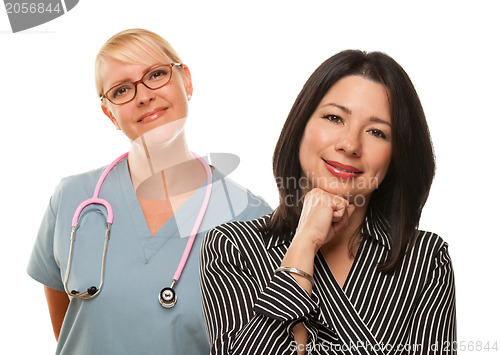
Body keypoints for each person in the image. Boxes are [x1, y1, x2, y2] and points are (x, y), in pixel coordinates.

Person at [27, 28, 271, 355]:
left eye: (156, 74)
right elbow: (73, 330)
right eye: (121, 90)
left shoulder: (252, 217)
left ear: (186, 81)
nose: (143, 96)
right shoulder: (72, 201)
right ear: (109, 113)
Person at [200, 50, 456, 354]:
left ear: (396, 155)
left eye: (377, 132)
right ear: (301, 127)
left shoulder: (425, 259)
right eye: (334, 118)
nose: (350, 144)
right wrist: (304, 244)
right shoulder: (232, 247)